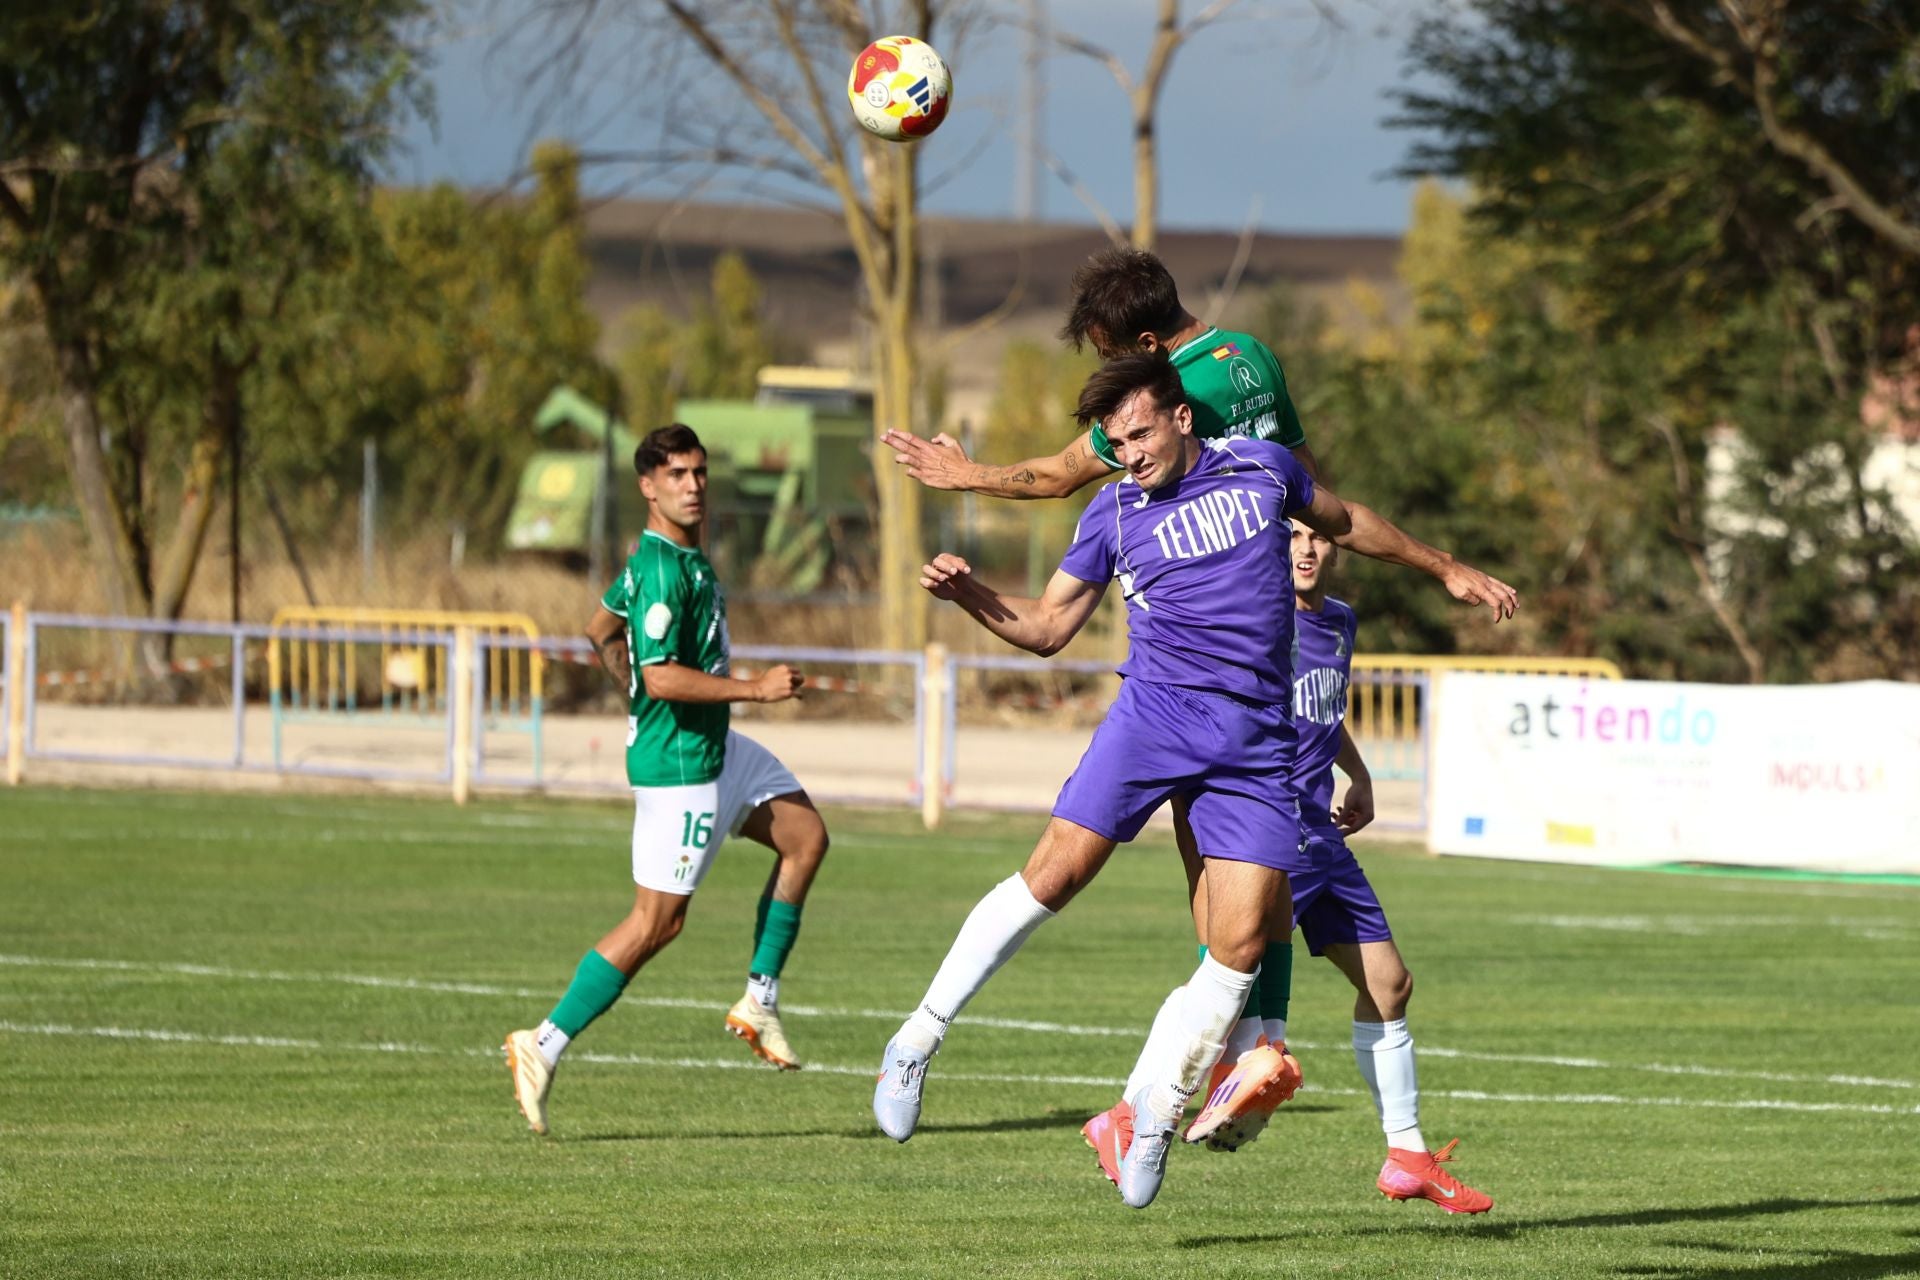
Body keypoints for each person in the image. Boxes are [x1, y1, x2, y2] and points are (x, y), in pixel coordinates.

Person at [882, 246, 1518, 1140]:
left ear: (1149, 356)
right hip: (1186, 688)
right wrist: (1439, 564)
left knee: (1239, 911)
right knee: (1183, 896)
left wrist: (972, 474)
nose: (1113, 409)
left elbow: (1063, 474)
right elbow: (1316, 495)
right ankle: (1229, 1051)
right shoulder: (1249, 358)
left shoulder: (1155, 407)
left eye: (1108, 356)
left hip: (1249, 697)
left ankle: (1186, 1087)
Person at [1132, 525, 1495, 1213]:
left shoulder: (1341, 623)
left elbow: (1324, 713)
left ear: (1337, 549)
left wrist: (1355, 772)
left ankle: (1407, 1156)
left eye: (1319, 539)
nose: (1305, 549)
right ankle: (1136, 1112)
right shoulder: (1258, 622)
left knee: (1391, 985)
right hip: (1267, 830)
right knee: (1227, 983)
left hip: (1324, 838)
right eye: (1292, 537)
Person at [503, 424, 830, 1136]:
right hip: (680, 769)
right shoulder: (660, 570)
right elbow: (657, 674)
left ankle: (759, 1000)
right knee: (657, 924)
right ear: (648, 486)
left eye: (700, 472)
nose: (693, 485)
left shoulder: (678, 558)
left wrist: (631, 692)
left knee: (805, 837)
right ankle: (542, 1044)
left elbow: (599, 630)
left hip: (715, 750)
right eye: (677, 474)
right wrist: (756, 690)